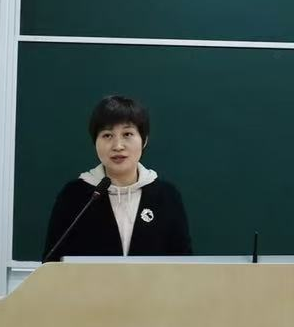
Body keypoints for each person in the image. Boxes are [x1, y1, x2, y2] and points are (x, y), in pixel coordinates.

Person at [43, 95, 192, 261]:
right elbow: (51, 264)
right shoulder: (74, 195)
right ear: (95, 142)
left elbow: (184, 265)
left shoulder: (167, 196)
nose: (118, 146)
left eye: (127, 134)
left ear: (144, 140)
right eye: (107, 135)